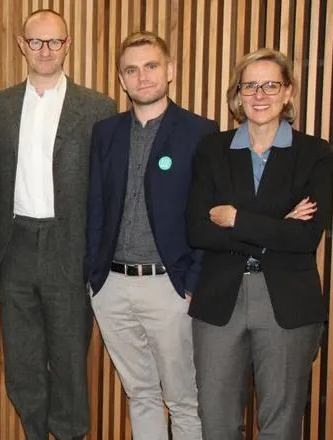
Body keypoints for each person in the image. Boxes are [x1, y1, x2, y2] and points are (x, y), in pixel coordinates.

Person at [0, 9, 116, 440]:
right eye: (36, 42)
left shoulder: (97, 107)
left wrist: (97, 256)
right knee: (21, 367)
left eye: (54, 41)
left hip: (69, 248)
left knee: (70, 364)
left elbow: (104, 189)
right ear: (22, 45)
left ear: (68, 44)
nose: (45, 50)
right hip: (15, 245)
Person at [186, 48, 333, 439]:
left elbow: (306, 236)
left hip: (287, 300)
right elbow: (198, 231)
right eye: (250, 85)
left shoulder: (315, 153)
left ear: (288, 93)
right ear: (237, 95)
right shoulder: (211, 149)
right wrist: (275, 227)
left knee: (280, 426)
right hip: (220, 300)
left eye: (271, 84)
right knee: (216, 423)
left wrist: (236, 219)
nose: (260, 95)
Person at [84, 32, 217, 440]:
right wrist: (94, 278)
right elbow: (95, 208)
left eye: (151, 66)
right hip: (111, 287)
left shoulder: (202, 133)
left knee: (183, 401)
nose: (142, 77)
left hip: (169, 286)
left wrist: (191, 283)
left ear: (170, 70)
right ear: (122, 81)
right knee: (139, 394)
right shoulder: (105, 132)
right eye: (132, 69)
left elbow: (208, 216)